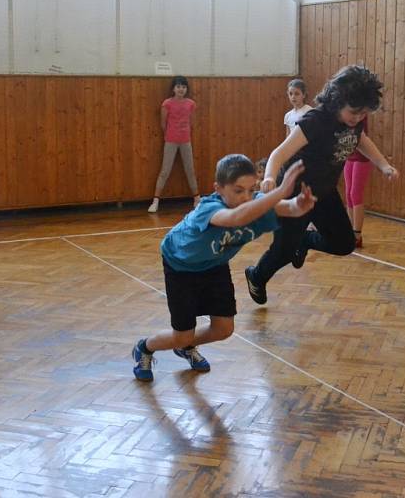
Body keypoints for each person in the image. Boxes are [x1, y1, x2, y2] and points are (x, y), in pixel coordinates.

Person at [132, 155, 316, 381]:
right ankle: (145, 348)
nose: (246, 198)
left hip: (214, 265)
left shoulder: (255, 203)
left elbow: (287, 207)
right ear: (218, 188)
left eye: (251, 190)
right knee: (181, 335)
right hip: (181, 268)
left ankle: (186, 347)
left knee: (224, 329)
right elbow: (237, 218)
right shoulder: (209, 207)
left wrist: (300, 205)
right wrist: (281, 191)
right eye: (238, 191)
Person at [244, 65, 398, 306]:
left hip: (324, 193)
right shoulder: (316, 120)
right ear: (337, 100)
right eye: (354, 112)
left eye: (363, 114)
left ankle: (306, 240)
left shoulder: (354, 122)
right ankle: (256, 275)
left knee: (344, 244)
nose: (357, 118)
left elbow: (362, 141)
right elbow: (279, 152)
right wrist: (270, 178)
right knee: (284, 251)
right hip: (294, 195)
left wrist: (383, 165)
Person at [148, 76, 200, 213]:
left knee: (190, 170)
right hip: (170, 141)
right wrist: (170, 135)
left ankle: (197, 199)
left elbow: (192, 122)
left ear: (186, 89)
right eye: (178, 86)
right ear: (173, 89)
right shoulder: (167, 103)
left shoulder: (191, 104)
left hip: (186, 140)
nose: (181, 89)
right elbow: (163, 123)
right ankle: (155, 201)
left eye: (183, 87)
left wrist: (185, 133)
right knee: (165, 170)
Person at [343, 116, 373, 249]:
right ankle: (350, 231)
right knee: (348, 193)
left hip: (362, 156)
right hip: (349, 155)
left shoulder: (359, 110)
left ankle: (357, 234)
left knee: (356, 194)